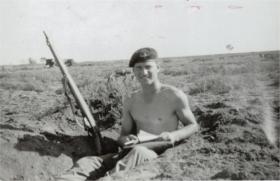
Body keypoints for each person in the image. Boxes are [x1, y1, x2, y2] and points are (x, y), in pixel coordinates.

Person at [56, 47, 199, 181]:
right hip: (130, 151)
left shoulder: (174, 96)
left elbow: (192, 125)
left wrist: (174, 136)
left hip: (157, 153)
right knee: (87, 162)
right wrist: (126, 139)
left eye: (148, 67)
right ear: (134, 71)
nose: (144, 72)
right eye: (139, 68)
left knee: (138, 153)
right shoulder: (131, 100)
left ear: (158, 68)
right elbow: (122, 136)